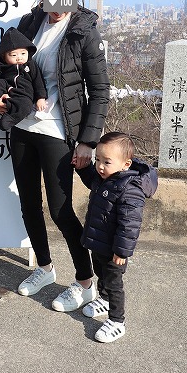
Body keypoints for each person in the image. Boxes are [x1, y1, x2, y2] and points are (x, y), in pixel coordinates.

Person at [0, 0, 110, 312]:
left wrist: (88, 142)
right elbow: (5, 68)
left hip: (58, 132)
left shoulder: (82, 31)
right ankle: (44, 268)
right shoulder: (30, 23)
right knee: (28, 203)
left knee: (60, 210)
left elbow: (100, 91)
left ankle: (85, 282)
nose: (57, 7)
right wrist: (0, 95)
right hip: (22, 128)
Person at [76, 132, 158, 342]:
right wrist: (83, 168)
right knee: (100, 274)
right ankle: (102, 299)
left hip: (114, 250)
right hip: (99, 242)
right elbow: (92, 181)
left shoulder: (130, 190)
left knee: (114, 283)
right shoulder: (106, 178)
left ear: (125, 164)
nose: (100, 166)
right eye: (98, 161)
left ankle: (117, 321)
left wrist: (122, 251)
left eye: (106, 162)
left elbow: (130, 224)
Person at [0, 27, 47, 131]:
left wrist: (41, 98)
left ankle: (10, 119)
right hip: (6, 88)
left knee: (25, 106)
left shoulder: (31, 65)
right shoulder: (2, 67)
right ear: (4, 57)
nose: (19, 57)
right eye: (14, 55)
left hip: (23, 94)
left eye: (23, 53)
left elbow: (38, 81)